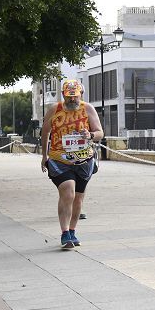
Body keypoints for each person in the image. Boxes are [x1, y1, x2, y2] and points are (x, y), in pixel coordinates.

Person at [40, 79, 102, 250]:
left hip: (84, 160)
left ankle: (73, 231)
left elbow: (100, 132)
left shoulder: (87, 109)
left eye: (75, 97)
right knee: (68, 191)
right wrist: (44, 155)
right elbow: (45, 132)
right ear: (63, 95)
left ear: (81, 94)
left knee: (78, 198)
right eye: (69, 97)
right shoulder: (54, 110)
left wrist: (89, 135)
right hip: (60, 159)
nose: (72, 100)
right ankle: (64, 232)